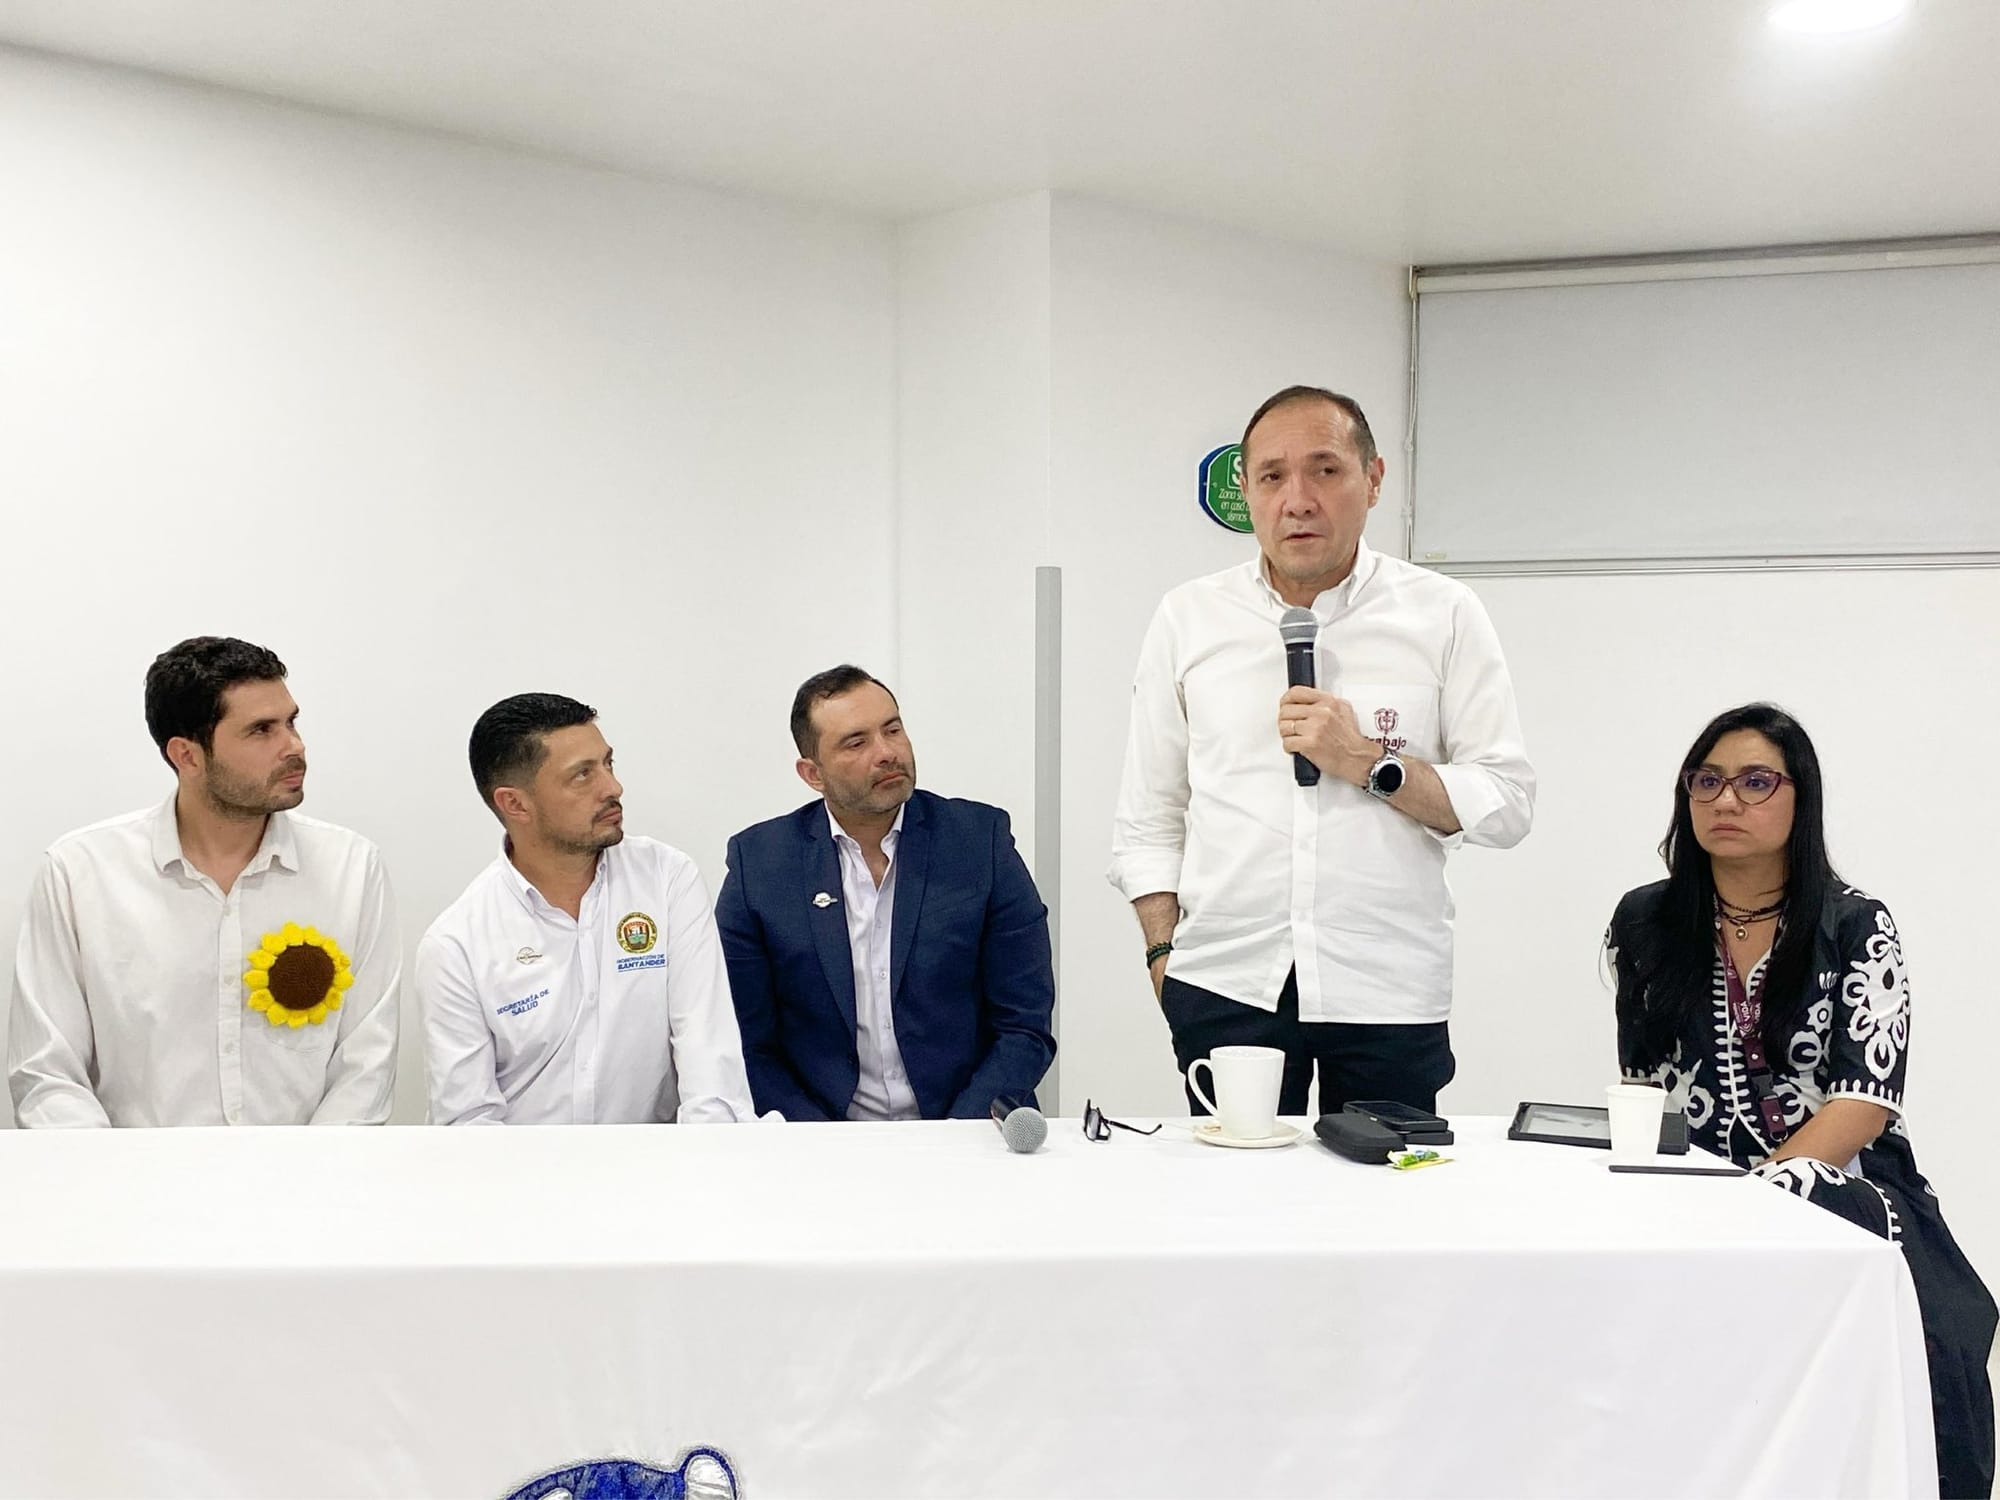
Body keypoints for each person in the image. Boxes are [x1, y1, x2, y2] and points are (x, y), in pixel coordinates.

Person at [1109, 385, 1534, 1120]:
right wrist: (1162, 960)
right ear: (1245, 491)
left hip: (1388, 987)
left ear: (1373, 480)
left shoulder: (1443, 613)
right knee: (1236, 1212)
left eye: (1326, 470)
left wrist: (1370, 763)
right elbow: (1149, 817)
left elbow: (1507, 804)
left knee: (1383, 1217)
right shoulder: (1188, 617)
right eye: (1272, 476)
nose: (1298, 499)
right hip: (1228, 983)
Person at [1607, 702, 1995, 1498]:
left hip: (1850, 1186)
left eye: (1756, 782)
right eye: (1706, 781)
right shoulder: (1646, 920)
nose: (1726, 801)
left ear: (1798, 798)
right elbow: (1644, 1089)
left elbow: (1865, 1102)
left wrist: (1763, 1199)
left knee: (1943, 1341)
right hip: (1696, 1187)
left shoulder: (1856, 924)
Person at [8, 637, 401, 1126]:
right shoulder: (80, 873)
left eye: (291, 721)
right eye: (261, 730)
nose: (294, 747)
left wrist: (308, 1184)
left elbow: (366, 1066)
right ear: (187, 755)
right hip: (133, 1187)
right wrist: (117, 1187)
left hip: (305, 1188)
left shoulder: (351, 869)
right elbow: (47, 1073)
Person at [715, 665, 1055, 1121]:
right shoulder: (759, 864)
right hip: (820, 1143)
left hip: (968, 1130)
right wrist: (821, 1144)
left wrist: (955, 1137)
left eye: (892, 730)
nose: (887, 752)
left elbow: (1024, 1024)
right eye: (857, 742)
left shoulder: (980, 841)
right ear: (812, 774)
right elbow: (744, 1040)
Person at [417, 693, 761, 1124]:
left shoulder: (666, 878)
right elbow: (469, 1121)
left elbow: (709, 1061)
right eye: (582, 775)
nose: (613, 788)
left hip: (656, 1174)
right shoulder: (456, 944)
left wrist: (697, 1177)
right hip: (524, 1180)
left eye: (608, 764)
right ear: (514, 803)